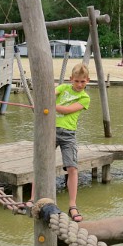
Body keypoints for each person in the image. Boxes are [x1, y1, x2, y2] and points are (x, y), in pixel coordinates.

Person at [26, 63, 91, 222]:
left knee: (72, 168)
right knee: (40, 163)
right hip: (50, 131)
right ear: (71, 79)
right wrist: (43, 102)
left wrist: (48, 105)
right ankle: (33, 198)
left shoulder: (85, 98)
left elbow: (68, 110)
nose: (79, 84)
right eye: (76, 81)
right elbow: (49, 94)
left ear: (87, 81)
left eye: (83, 82)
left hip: (68, 135)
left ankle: (72, 205)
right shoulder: (63, 88)